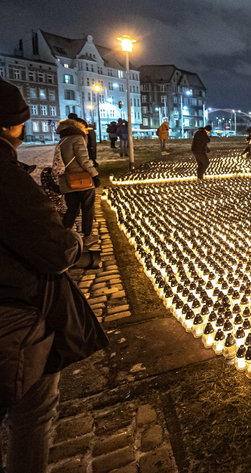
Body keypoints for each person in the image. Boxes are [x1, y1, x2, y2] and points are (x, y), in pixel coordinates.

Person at [1, 77, 108, 473]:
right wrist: (76, 248)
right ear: (11, 126)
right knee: (31, 413)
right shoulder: (6, 178)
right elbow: (52, 248)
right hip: (16, 315)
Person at [56, 118, 100, 248]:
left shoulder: (62, 140)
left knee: (72, 209)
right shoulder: (77, 139)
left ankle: (63, 236)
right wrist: (94, 174)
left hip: (68, 180)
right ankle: (87, 236)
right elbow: (83, 160)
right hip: (81, 180)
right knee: (87, 208)